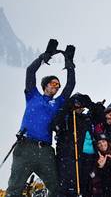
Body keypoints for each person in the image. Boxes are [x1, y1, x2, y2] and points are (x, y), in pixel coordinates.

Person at [6, 42, 76, 197]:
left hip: (45, 151)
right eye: (53, 83)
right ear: (45, 85)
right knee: (14, 190)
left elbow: (71, 85)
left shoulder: (58, 103)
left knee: (57, 189)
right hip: (25, 147)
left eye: (58, 85)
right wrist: (44, 57)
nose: (56, 87)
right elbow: (30, 71)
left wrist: (69, 65)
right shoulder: (33, 95)